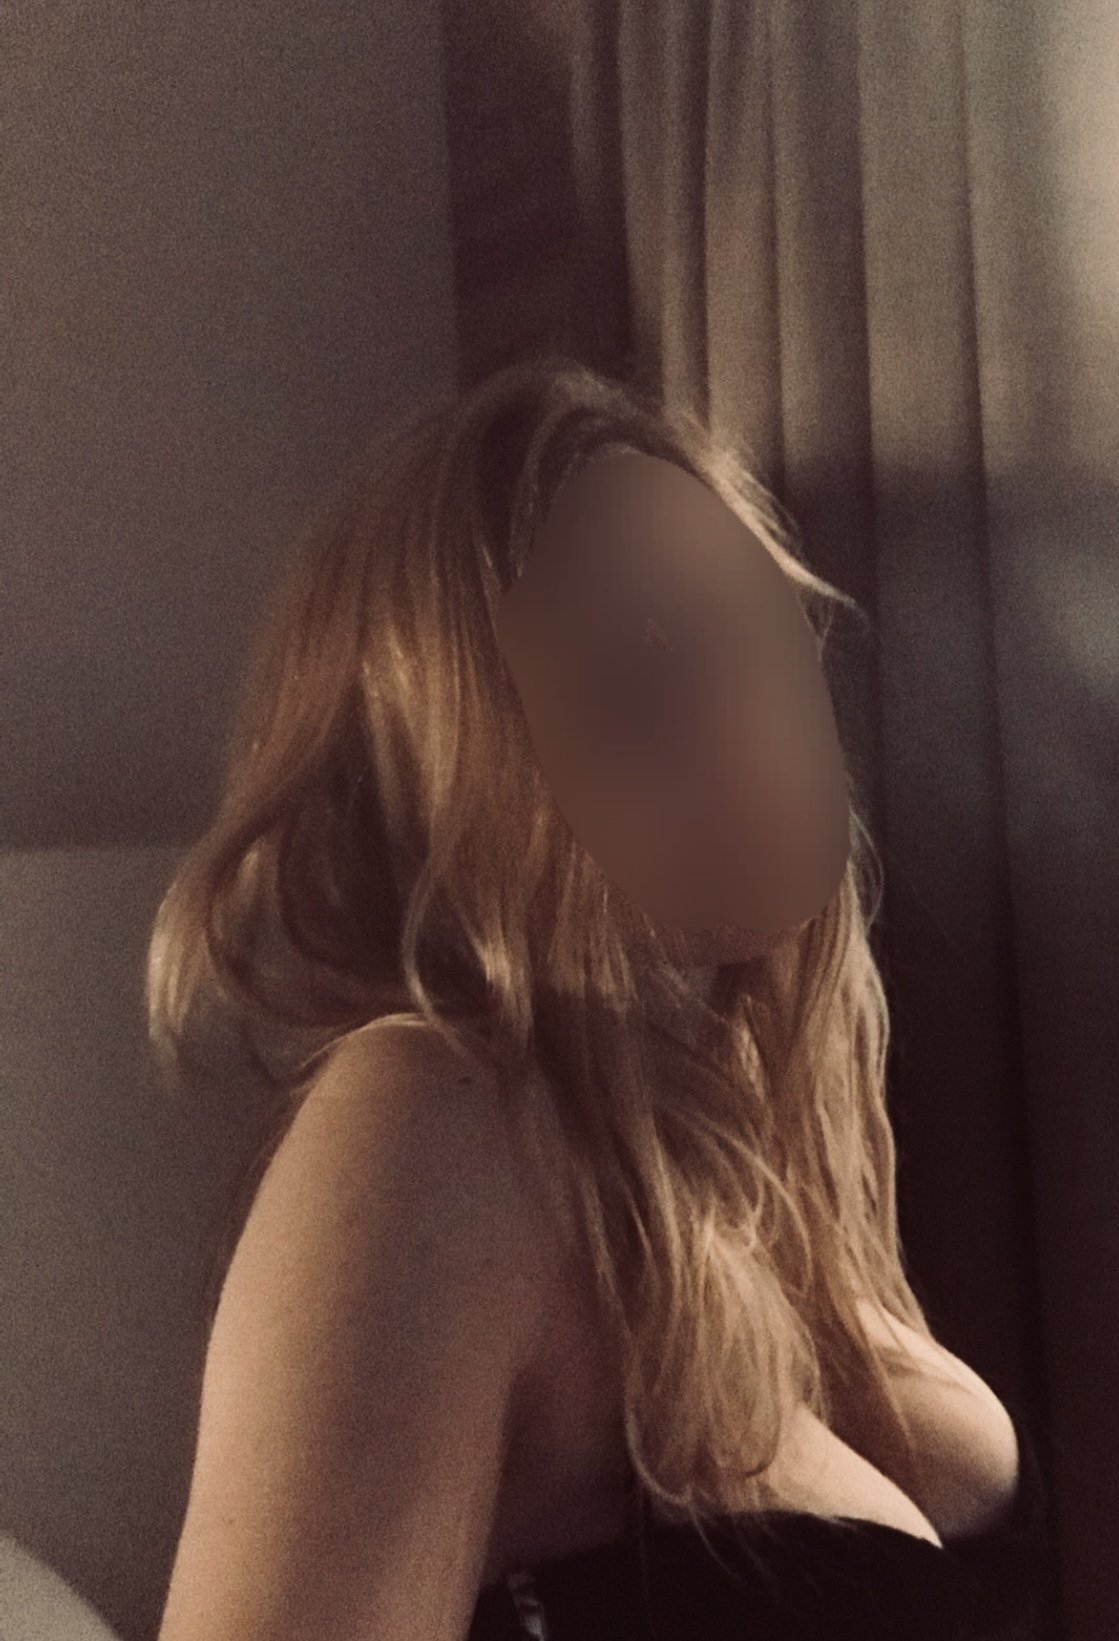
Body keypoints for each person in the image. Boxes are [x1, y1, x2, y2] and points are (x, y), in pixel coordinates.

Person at [147, 355, 1051, 1640]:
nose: (734, 721)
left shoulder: (752, 1195)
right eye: (632, 681)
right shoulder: (430, 1123)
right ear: (439, 772)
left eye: (752, 633)